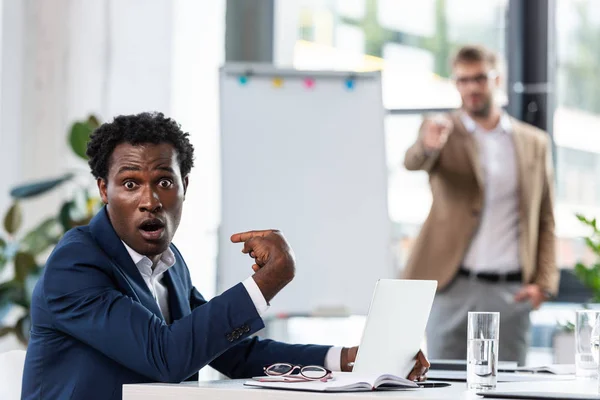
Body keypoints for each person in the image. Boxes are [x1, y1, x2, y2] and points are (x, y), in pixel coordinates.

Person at [21, 112, 428, 399]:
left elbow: (236, 352)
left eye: (164, 181)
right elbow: (165, 356)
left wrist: (345, 359)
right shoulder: (76, 264)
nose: (149, 200)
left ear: (184, 186)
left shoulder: (170, 263)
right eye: (130, 183)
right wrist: (263, 284)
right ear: (103, 190)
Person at [403, 45, 559, 365]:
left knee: (507, 389)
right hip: (451, 287)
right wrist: (427, 145)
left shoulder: (534, 143)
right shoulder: (441, 131)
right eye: (463, 80)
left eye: (479, 78)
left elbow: (545, 218)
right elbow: (413, 161)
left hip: (510, 291)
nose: (471, 88)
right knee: (445, 383)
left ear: (496, 79)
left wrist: (543, 284)